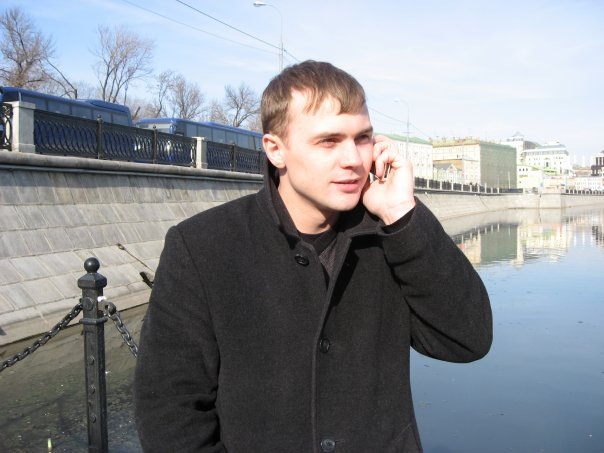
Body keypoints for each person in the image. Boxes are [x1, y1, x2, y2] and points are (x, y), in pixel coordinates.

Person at [134, 60, 492, 452]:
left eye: (362, 138)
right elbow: (170, 412)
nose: (353, 159)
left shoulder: (389, 234)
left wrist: (402, 215)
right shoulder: (203, 245)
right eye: (328, 141)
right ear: (276, 150)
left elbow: (467, 340)